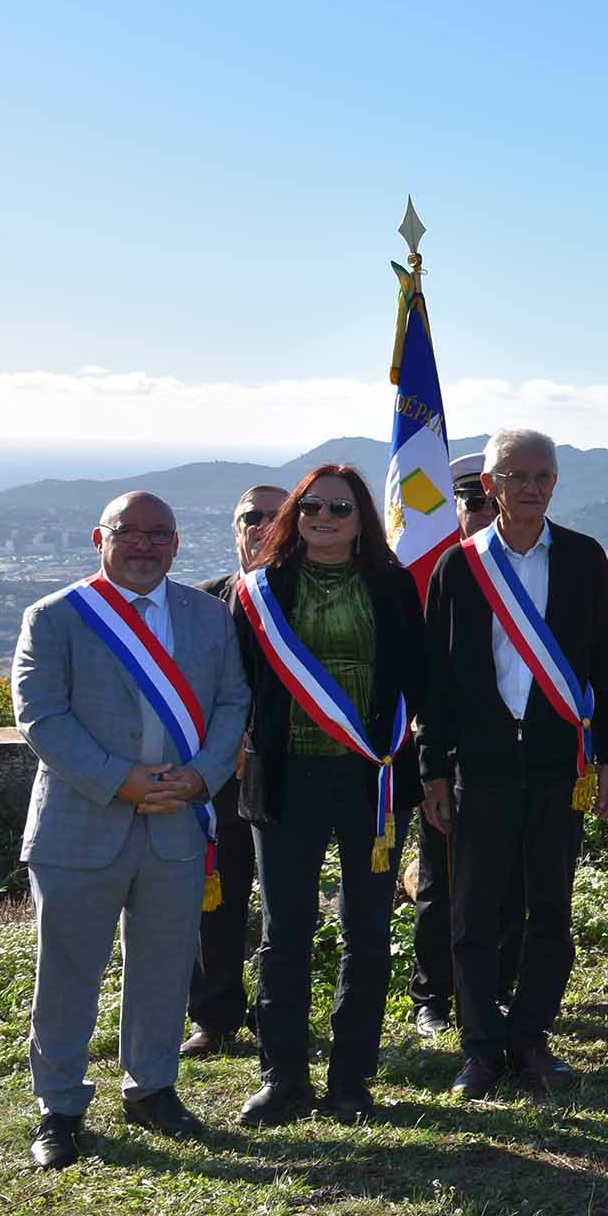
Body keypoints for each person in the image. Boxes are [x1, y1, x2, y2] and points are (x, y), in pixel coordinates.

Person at [11, 491, 249, 1170]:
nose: (145, 545)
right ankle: (59, 1106)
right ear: (99, 538)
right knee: (66, 973)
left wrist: (201, 776)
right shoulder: (55, 617)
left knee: (165, 967)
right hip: (80, 822)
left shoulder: (207, 616)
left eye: (159, 534)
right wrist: (123, 779)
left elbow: (233, 701)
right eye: (130, 532)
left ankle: (152, 1088)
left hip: (178, 819)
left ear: (176, 544)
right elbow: (40, 716)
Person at [420, 428, 608, 1098]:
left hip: (555, 765)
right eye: (517, 477)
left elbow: (605, 660)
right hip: (478, 765)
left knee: (550, 910)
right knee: (474, 914)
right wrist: (431, 770)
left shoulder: (581, 558)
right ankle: (480, 1047)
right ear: (490, 486)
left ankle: (531, 1037)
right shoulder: (459, 567)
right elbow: (438, 680)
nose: (532, 488)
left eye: (543, 476)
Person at [228, 465, 427, 1125]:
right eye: (311, 506)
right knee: (285, 936)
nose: (324, 517)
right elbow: (238, 685)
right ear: (296, 513)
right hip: (286, 784)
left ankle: (351, 1080)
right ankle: (282, 1079)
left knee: (366, 934)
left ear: (361, 516)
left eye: (340, 507)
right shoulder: (260, 589)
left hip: (370, 783)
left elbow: (419, 683)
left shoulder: (393, 586)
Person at [405, 453, 524, 1039]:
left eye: (489, 500)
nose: (484, 511)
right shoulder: (442, 566)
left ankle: (499, 985)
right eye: (474, 501)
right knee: (441, 879)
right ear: (458, 504)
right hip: (447, 751)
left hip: (515, 754)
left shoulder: (527, 564)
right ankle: (434, 993)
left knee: (510, 879)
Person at [180, 483, 286, 1059]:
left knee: (286, 902)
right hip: (220, 776)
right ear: (234, 528)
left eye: (277, 516)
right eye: (251, 516)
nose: (263, 526)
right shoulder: (200, 606)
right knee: (215, 899)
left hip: (299, 774)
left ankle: (278, 1010)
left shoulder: (318, 601)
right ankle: (215, 1016)